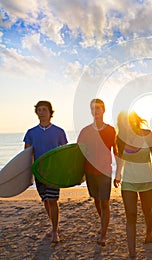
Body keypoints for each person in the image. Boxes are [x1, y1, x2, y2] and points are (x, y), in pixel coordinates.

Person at [114, 111, 152, 259]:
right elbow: (120, 158)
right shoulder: (120, 139)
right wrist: (118, 175)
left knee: (147, 211)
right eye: (124, 122)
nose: (128, 124)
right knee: (131, 215)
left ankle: (149, 232)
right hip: (129, 182)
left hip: (147, 181)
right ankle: (132, 252)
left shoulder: (147, 134)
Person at [24, 101, 68, 244]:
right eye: (39, 110)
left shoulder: (59, 132)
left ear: (50, 113)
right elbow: (26, 155)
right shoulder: (31, 133)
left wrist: (66, 171)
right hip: (39, 172)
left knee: (53, 201)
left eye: (44, 110)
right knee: (46, 201)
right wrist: (27, 175)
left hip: (54, 173)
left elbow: (66, 153)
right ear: (36, 112)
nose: (41, 112)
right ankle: (53, 225)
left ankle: (55, 231)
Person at [77, 99, 117, 246]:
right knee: (96, 200)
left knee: (105, 202)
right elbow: (79, 153)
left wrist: (118, 173)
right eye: (93, 109)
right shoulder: (85, 131)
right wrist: (77, 175)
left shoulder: (111, 130)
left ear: (103, 110)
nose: (96, 111)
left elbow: (117, 151)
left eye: (98, 108)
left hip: (105, 171)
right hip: (90, 172)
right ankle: (103, 224)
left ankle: (103, 234)